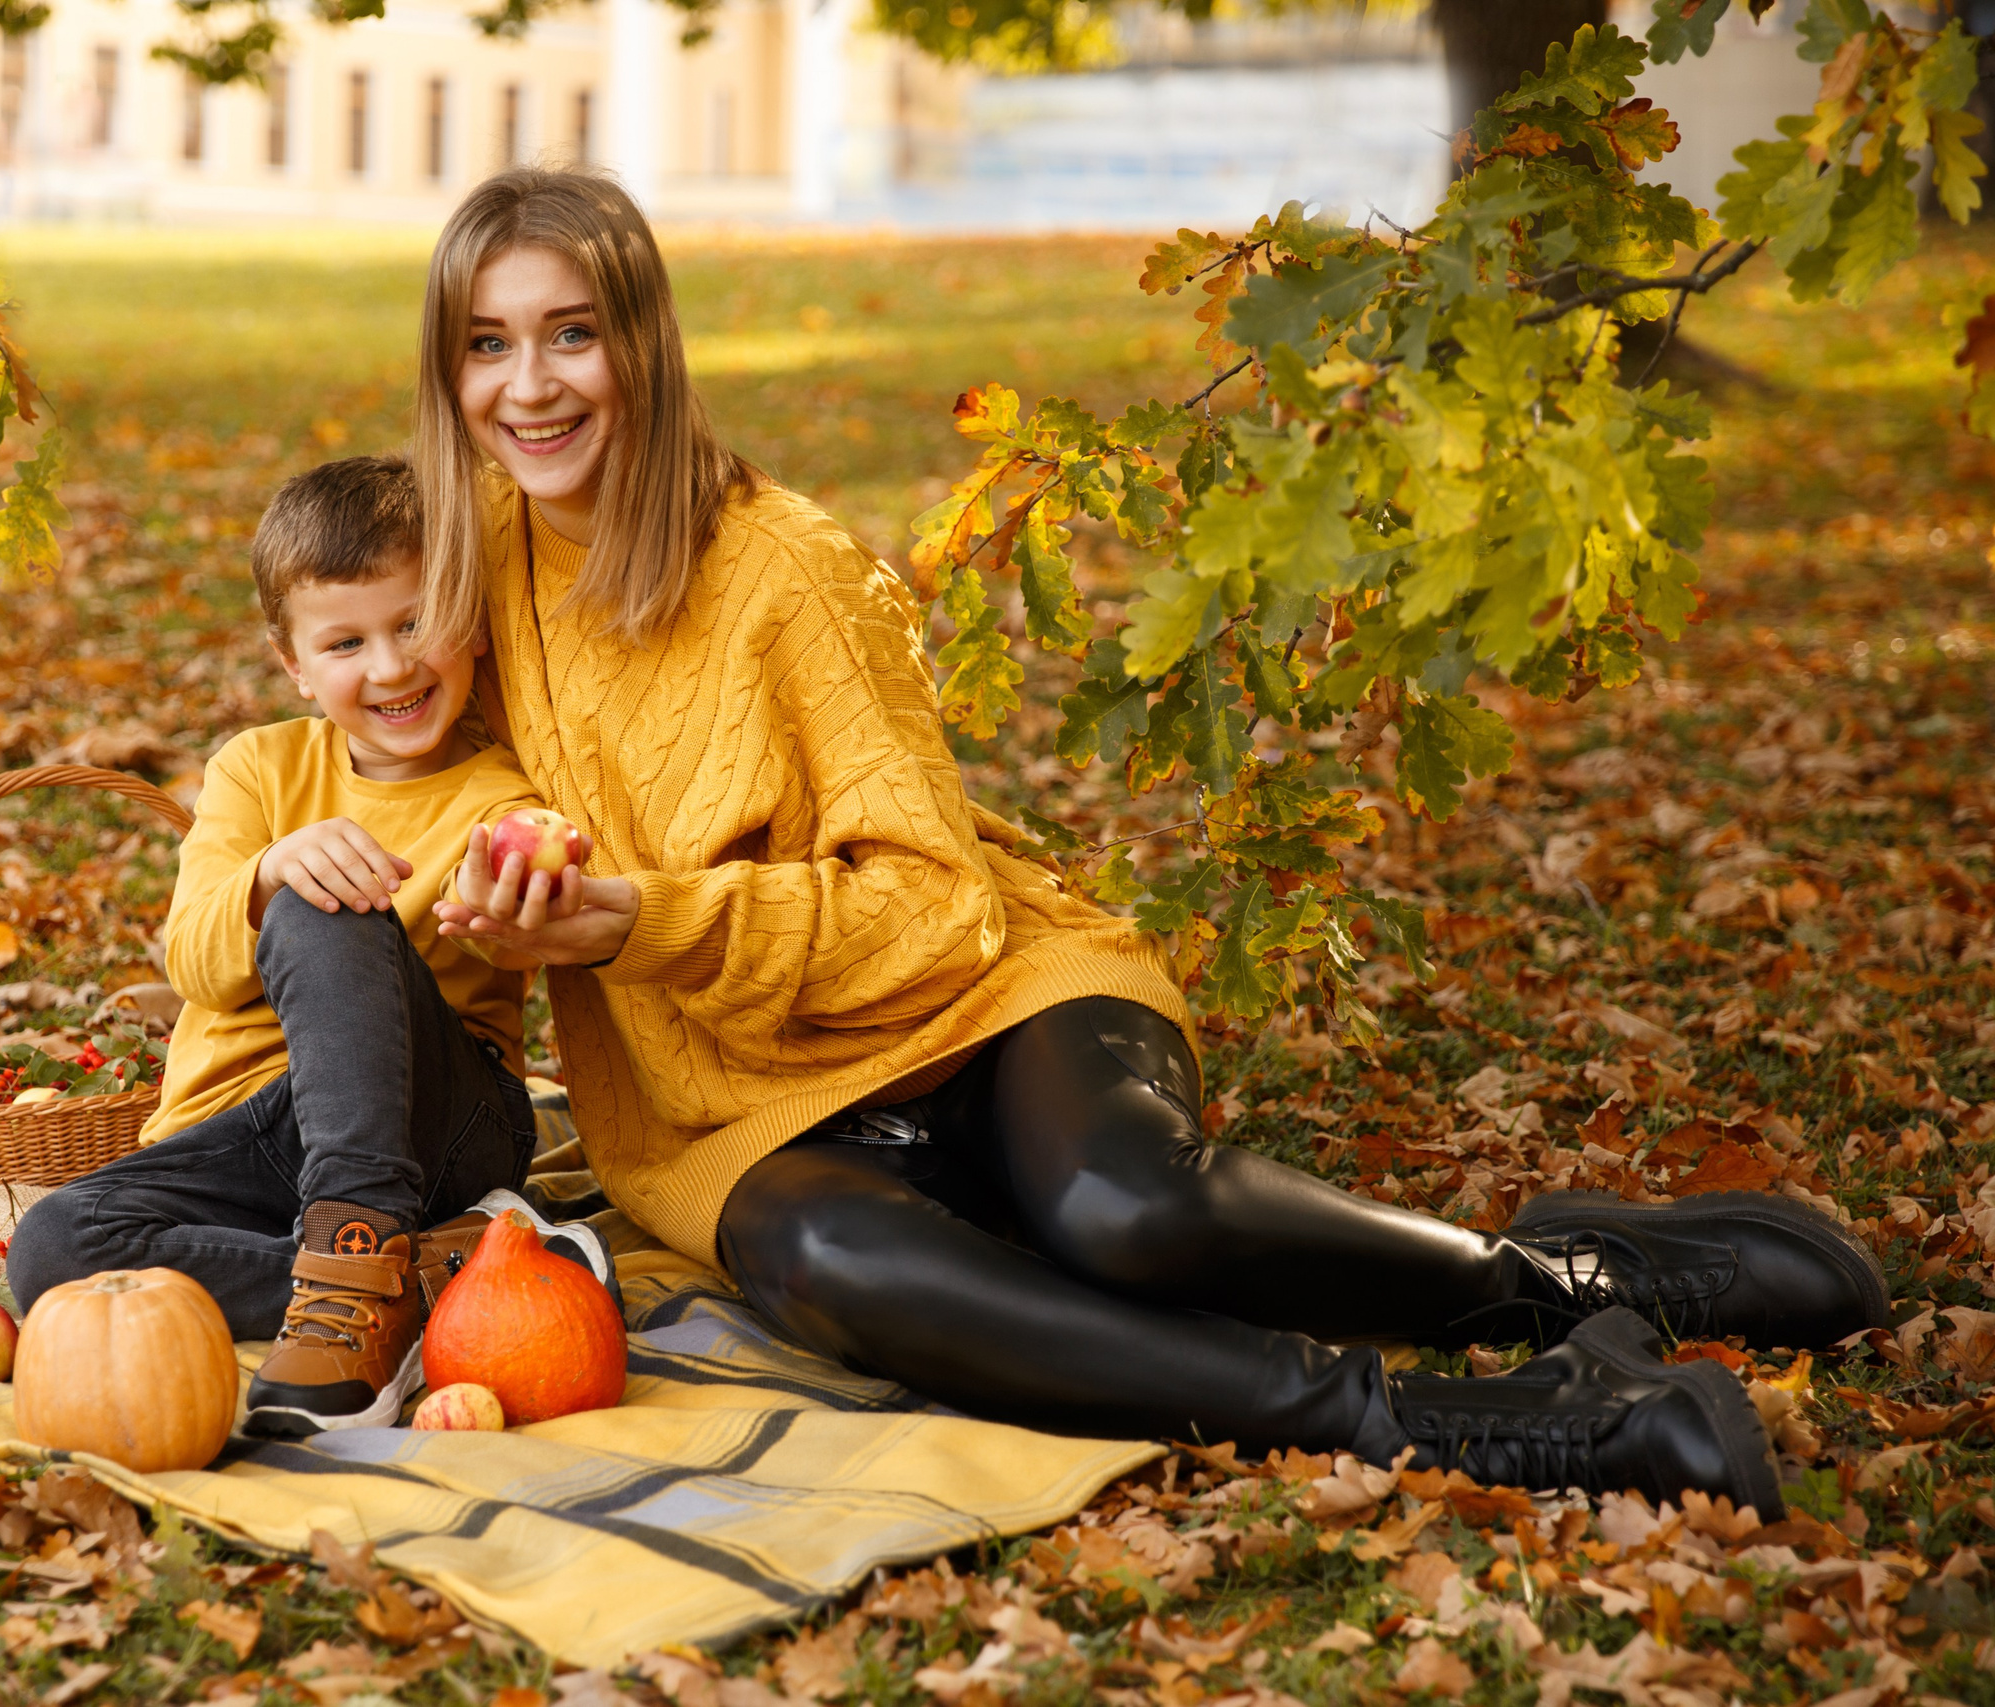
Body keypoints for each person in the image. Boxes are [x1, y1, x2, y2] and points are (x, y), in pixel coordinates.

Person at [418, 167, 1887, 1513]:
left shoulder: (788, 567)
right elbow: (387, 779)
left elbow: (939, 911)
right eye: (487, 343)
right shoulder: (469, 568)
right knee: (836, 1268)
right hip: (729, 1107)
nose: (529, 386)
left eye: (571, 335)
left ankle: (1555, 1274)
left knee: (1131, 1213)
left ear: (645, 347)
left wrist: (640, 921)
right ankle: (1475, 1418)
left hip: (986, 1002)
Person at [6, 455, 600, 1437]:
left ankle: (360, 1263)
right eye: (345, 641)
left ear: (469, 617)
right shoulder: (256, 769)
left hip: (431, 1122)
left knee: (328, 905)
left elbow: (506, 910)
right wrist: (271, 870)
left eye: (414, 622)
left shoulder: (501, 795)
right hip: (247, 1132)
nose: (390, 666)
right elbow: (191, 960)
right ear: (293, 663)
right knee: (57, 1246)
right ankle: (431, 1271)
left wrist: (505, 891)